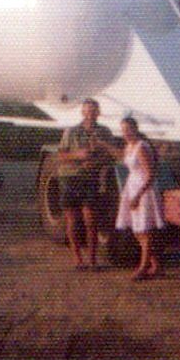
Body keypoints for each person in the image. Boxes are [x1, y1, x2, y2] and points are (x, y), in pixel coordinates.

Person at [97, 115, 165, 280]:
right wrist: (104, 145)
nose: (126, 133)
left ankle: (143, 267)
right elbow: (121, 156)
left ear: (135, 129)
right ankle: (155, 265)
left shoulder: (142, 147)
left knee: (143, 230)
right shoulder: (129, 146)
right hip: (132, 186)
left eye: (128, 129)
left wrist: (138, 196)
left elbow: (150, 174)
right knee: (137, 230)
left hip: (143, 189)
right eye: (123, 130)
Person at [57, 98, 113, 270]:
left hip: (91, 178)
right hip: (71, 177)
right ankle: (77, 259)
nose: (90, 113)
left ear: (98, 112)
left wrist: (95, 163)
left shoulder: (104, 132)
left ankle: (93, 260)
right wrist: (78, 155)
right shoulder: (71, 132)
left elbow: (110, 155)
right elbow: (61, 155)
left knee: (91, 220)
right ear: (82, 112)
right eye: (87, 110)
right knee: (72, 220)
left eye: (93, 110)